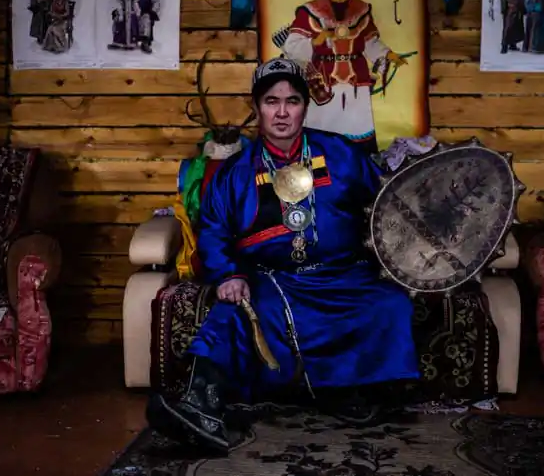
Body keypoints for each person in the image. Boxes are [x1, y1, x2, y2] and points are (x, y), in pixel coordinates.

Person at [147, 58, 419, 453]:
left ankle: (352, 393)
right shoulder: (235, 172)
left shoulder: (340, 153)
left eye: (292, 101)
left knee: (390, 305)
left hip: (343, 277)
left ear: (304, 107)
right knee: (238, 310)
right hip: (275, 280)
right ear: (257, 108)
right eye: (271, 101)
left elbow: (386, 203)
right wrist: (227, 275)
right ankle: (200, 404)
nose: (281, 111)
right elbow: (213, 230)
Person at [280, 0, 407, 153]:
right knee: (323, 126)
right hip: (324, 79)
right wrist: (317, 40)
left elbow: (370, 41)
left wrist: (388, 55)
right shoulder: (309, 12)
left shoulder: (361, 10)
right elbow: (292, 46)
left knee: (358, 125)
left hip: (356, 80)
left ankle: (360, 167)